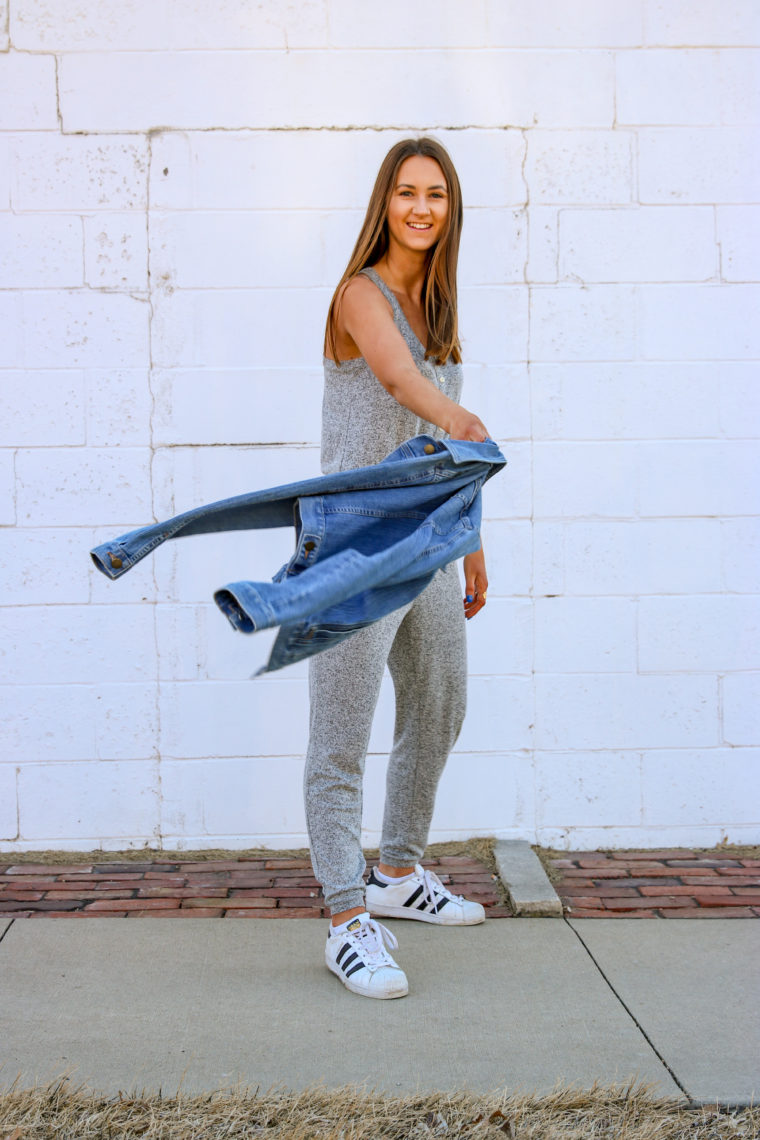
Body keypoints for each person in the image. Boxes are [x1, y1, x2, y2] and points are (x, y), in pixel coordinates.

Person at [306, 137, 492, 1000]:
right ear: (385, 202)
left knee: (440, 706)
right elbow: (395, 377)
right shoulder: (360, 295)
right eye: (407, 193)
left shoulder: (442, 309)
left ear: (450, 212)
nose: (422, 208)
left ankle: (399, 873)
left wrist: (473, 544)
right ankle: (348, 918)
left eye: (437, 196)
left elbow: (447, 452)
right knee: (340, 739)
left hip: (428, 546)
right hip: (354, 547)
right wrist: (458, 412)